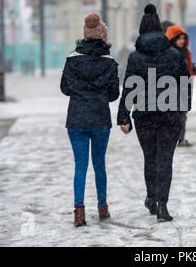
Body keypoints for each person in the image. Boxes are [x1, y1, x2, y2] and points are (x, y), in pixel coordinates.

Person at [117, 4, 192, 223]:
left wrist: (124, 116)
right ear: (161, 30)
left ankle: (151, 197)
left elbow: (129, 87)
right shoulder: (174, 54)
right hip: (170, 113)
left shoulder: (135, 57)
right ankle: (162, 205)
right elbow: (185, 80)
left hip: (144, 114)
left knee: (150, 158)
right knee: (165, 159)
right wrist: (185, 104)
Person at [60, 13, 120, 228]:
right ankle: (102, 208)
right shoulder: (110, 63)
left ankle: (79, 211)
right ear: (103, 37)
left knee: (80, 166)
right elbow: (114, 95)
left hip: (76, 119)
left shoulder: (71, 59)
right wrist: (99, 94)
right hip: (100, 119)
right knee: (99, 165)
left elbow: (64, 89)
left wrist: (81, 92)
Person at [166, 25, 196, 147]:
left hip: (184, 85)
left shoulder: (186, 52)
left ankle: (181, 138)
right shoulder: (167, 52)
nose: (182, 41)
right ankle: (171, 137)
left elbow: (188, 68)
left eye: (183, 38)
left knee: (183, 114)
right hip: (170, 86)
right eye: (179, 38)